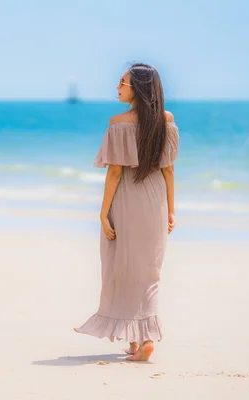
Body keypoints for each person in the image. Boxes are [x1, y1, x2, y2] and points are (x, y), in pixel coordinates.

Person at [74, 63, 179, 362]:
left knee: (121, 268)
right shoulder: (167, 121)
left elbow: (115, 173)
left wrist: (103, 212)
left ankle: (142, 340)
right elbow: (169, 170)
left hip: (126, 201)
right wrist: (171, 210)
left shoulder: (118, 122)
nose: (117, 88)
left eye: (122, 83)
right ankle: (140, 340)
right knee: (149, 273)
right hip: (155, 201)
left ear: (139, 89)